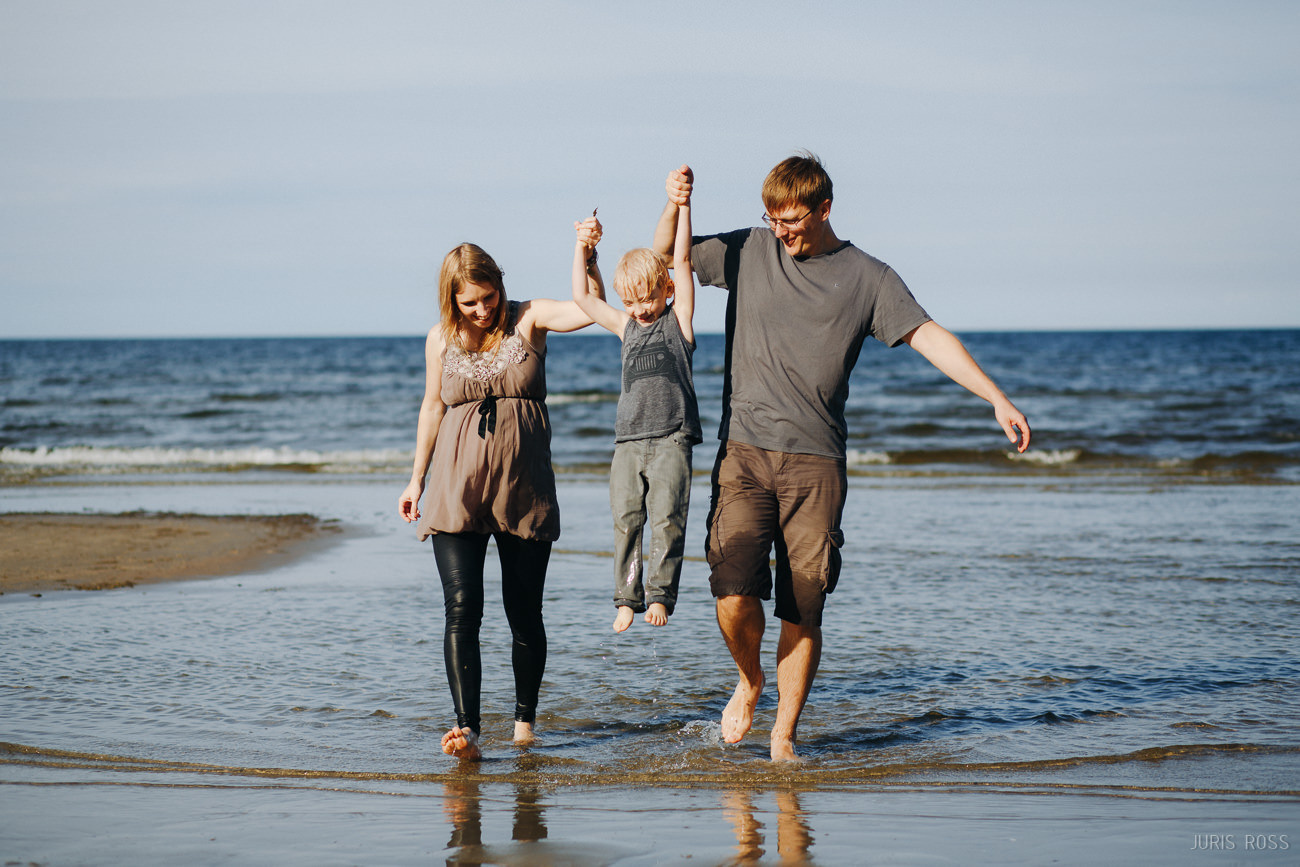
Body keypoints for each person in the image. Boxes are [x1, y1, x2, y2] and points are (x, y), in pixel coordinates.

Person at [652, 155, 1031, 761]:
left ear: (824, 208)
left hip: (817, 464)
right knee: (732, 590)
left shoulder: (869, 279)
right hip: (743, 452)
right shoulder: (749, 249)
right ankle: (750, 680)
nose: (781, 231)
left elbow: (928, 335)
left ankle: (783, 736)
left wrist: (995, 397)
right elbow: (665, 258)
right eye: (772, 219)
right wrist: (675, 204)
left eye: (792, 220)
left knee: (804, 606)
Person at [398, 236, 601, 760]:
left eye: (489, 297)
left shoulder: (529, 318)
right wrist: (416, 479)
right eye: (470, 302)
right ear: (451, 299)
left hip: (523, 487)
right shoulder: (439, 339)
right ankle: (467, 730)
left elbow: (589, 309)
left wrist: (588, 257)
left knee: (524, 611)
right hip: (456, 487)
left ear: (500, 285)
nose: (483, 309)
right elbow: (431, 408)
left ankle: (524, 725)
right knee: (462, 608)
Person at [570, 200, 701, 633]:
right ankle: (627, 598)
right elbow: (583, 297)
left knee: (667, 518)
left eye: (647, 299)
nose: (640, 309)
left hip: (671, 439)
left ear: (667, 289)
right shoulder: (625, 328)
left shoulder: (678, 321)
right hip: (627, 442)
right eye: (630, 301)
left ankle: (660, 595)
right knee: (626, 520)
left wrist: (683, 206)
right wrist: (581, 247)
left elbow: (683, 259)